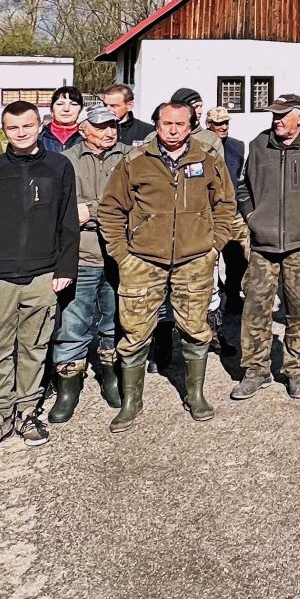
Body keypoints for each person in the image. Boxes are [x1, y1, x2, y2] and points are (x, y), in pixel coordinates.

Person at [97, 100, 241, 428]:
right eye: (166, 124)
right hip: (142, 261)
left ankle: (195, 394)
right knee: (135, 331)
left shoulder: (207, 159)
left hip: (195, 260)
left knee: (195, 327)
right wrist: (122, 254)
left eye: (180, 124)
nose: (173, 130)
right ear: (157, 125)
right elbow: (111, 209)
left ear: (191, 127)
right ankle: (132, 402)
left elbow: (225, 204)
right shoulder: (135, 161)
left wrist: (214, 245)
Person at [0, 102, 78, 456]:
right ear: (4, 130)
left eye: (27, 126)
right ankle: (0, 415)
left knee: (34, 348)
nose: (21, 133)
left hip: (42, 275)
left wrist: (65, 268)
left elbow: (67, 222)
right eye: (13, 128)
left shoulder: (59, 167)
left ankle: (27, 411)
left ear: (40, 125)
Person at [232, 94, 300, 402]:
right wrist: (251, 215)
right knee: (255, 308)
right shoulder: (258, 144)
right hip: (263, 244)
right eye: (274, 115)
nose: (276, 120)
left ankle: (295, 370)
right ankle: (256, 370)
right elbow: (242, 185)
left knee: (299, 308)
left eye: (283, 115)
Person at [49, 103, 131, 423]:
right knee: (73, 322)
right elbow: (64, 209)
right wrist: (99, 212)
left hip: (118, 253)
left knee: (114, 321)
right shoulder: (66, 161)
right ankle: (68, 384)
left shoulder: (129, 157)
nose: (109, 131)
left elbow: (131, 202)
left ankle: (110, 374)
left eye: (113, 125)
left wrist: (93, 211)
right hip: (80, 254)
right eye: (100, 127)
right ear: (83, 130)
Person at [206, 105, 246, 342]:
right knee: (211, 259)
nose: (222, 127)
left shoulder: (238, 146)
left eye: (225, 123)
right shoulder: (204, 145)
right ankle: (212, 305)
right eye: (218, 123)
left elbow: (241, 175)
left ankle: (232, 295)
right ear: (209, 124)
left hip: (233, 210)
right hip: (210, 212)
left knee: (238, 256)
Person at [43, 86, 84, 152]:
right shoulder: (38, 138)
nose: (66, 109)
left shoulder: (88, 138)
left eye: (73, 104)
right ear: (51, 109)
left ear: (80, 110)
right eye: (60, 104)